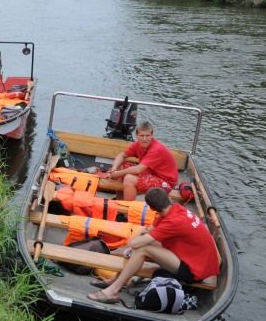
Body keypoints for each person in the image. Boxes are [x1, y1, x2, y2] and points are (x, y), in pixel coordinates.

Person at [87, 187, 220, 304]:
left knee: (142, 249)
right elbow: (148, 230)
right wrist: (136, 242)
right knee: (142, 246)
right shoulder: (176, 209)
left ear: (151, 208)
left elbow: (132, 242)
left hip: (195, 270)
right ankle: (116, 281)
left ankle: (113, 291)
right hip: (198, 260)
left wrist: (135, 241)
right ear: (169, 198)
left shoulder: (172, 222)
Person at [105, 120, 178, 201]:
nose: (144, 139)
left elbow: (138, 169)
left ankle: (128, 211)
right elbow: (122, 155)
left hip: (166, 183)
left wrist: (117, 174)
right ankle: (120, 203)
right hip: (151, 174)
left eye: (147, 135)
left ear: (152, 135)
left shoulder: (156, 149)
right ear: (137, 135)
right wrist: (114, 169)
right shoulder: (138, 144)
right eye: (142, 135)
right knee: (121, 166)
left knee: (129, 179)